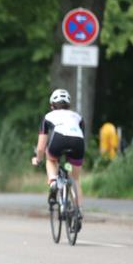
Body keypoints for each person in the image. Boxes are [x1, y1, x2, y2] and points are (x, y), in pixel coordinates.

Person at [31, 88, 86, 223]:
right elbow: (81, 135)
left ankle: (53, 181)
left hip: (59, 140)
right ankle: (78, 210)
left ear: (51, 106)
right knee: (76, 179)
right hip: (77, 142)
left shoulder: (48, 116)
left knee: (50, 158)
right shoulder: (78, 117)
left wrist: (38, 159)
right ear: (69, 105)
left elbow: (41, 146)